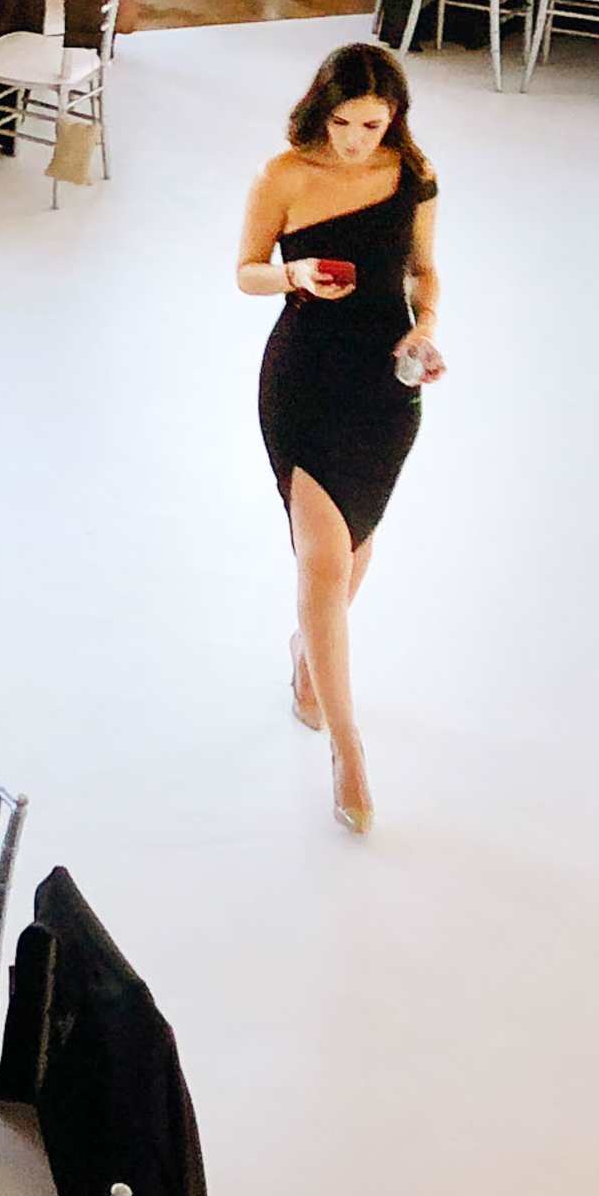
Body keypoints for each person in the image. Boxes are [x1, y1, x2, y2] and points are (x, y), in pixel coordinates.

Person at [234, 42, 444, 839]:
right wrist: (293, 275)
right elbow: (246, 269)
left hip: (385, 383)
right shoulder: (283, 175)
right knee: (321, 559)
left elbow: (425, 272)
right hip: (305, 375)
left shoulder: (413, 175)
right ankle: (348, 748)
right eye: (347, 122)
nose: (359, 139)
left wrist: (424, 332)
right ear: (323, 110)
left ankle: (306, 658)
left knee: (352, 549)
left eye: (374, 124)